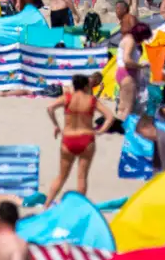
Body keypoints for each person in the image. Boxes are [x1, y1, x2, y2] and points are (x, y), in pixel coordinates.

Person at [43, 74, 115, 205]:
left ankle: (47, 205)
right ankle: (78, 207)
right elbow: (110, 116)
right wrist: (100, 131)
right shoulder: (91, 100)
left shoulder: (67, 97)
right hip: (86, 139)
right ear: (86, 85)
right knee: (82, 177)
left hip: (68, 139)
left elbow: (50, 108)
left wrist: (56, 125)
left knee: (61, 176)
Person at [115, 23, 152, 126]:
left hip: (121, 72)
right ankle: (124, 128)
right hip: (128, 74)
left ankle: (118, 126)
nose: (143, 41)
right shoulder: (131, 41)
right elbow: (127, 60)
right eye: (144, 38)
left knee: (122, 106)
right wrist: (140, 66)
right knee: (128, 107)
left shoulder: (127, 38)